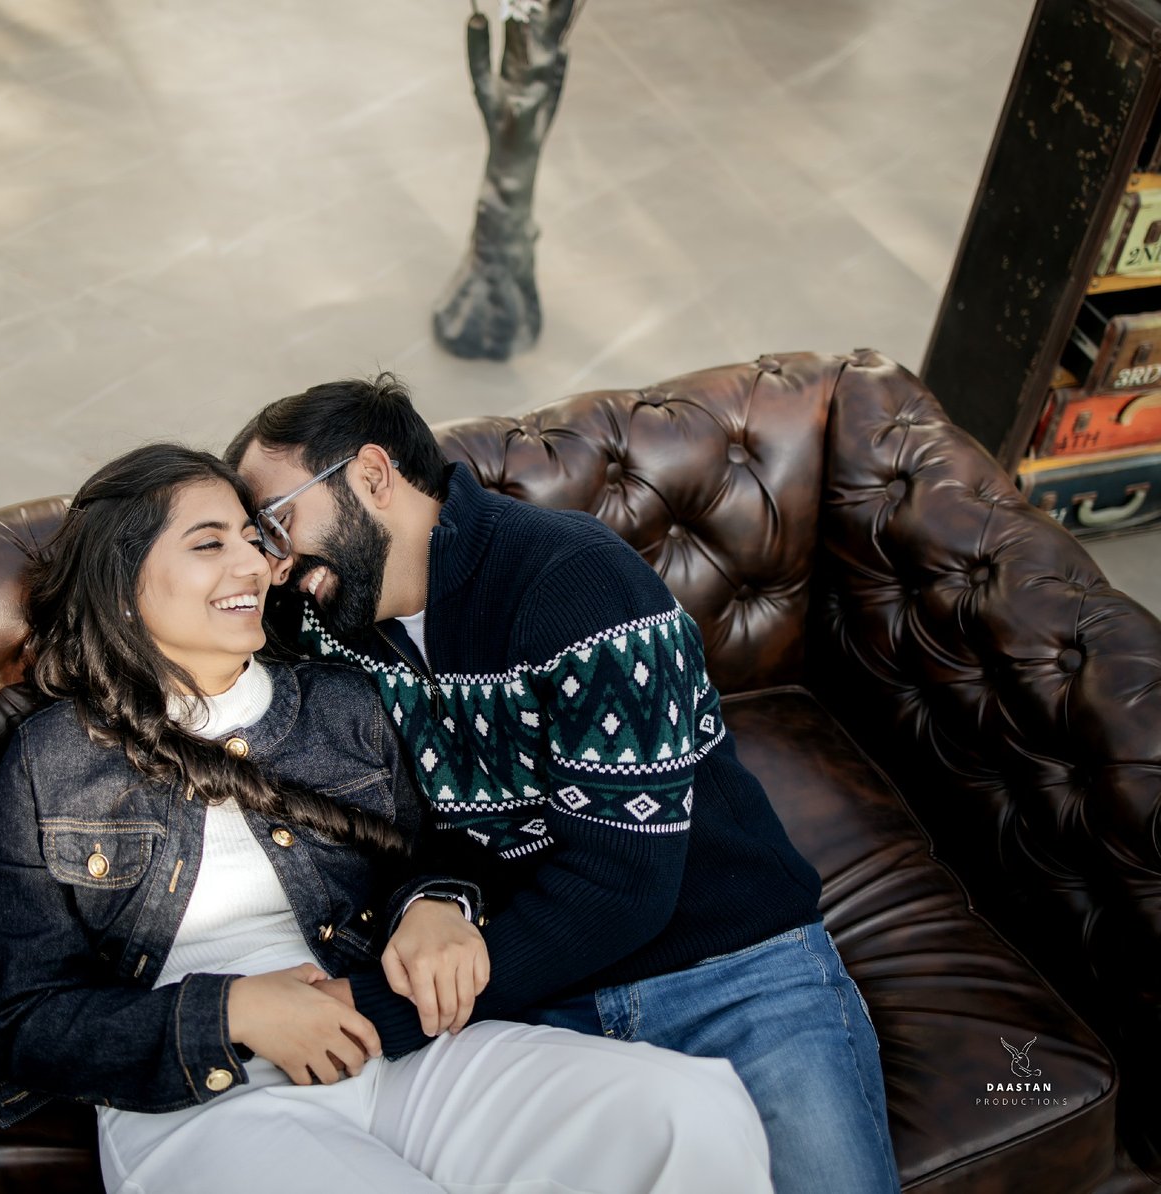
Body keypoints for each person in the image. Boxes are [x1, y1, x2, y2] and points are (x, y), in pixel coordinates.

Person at [0, 444, 773, 1194]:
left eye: (254, 538)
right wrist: (235, 1010)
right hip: (212, 1098)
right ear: (121, 582)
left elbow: (442, 845)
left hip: (396, 1040)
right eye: (210, 544)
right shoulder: (54, 764)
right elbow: (25, 1021)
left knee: (684, 1113)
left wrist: (437, 903)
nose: (256, 562)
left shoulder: (344, 704)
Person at [227, 377, 901, 1194]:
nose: (276, 560)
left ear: (372, 475)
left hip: (733, 974)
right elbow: (395, 812)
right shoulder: (333, 625)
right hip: (546, 1004)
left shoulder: (577, 584)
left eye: (277, 522)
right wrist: (433, 894)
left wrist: (368, 1012)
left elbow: (622, 885)